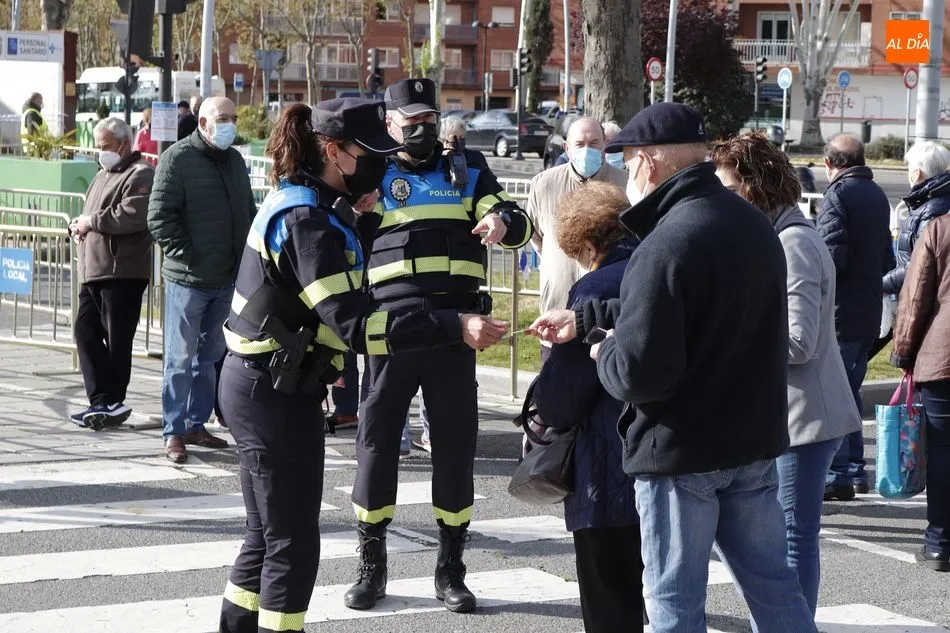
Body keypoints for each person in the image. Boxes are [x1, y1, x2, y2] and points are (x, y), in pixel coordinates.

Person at [217, 98, 507, 633]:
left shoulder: (317, 206)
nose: (382, 161)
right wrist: (452, 326)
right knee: (292, 543)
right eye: (370, 152)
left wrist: (362, 220)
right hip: (271, 393)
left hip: (271, 385)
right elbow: (358, 327)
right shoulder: (309, 220)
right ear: (335, 153)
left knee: (265, 535)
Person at [529, 103, 818, 633]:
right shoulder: (754, 225)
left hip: (682, 453)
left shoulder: (663, 244)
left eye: (631, 161)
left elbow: (639, 372)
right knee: (775, 589)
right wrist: (586, 316)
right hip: (752, 441)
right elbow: (700, 308)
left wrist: (601, 350)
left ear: (648, 162)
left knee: (673, 604)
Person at [343, 78, 531, 614]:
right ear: (390, 126)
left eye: (430, 120)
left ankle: (451, 567)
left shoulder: (467, 172)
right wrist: (356, 213)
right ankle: (371, 563)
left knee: (453, 448)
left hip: (456, 334)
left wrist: (500, 220)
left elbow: (519, 223)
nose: (422, 129)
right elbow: (336, 233)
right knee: (377, 447)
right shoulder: (375, 173)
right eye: (411, 121)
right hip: (392, 333)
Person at [711, 132, 862, 614]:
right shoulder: (778, 236)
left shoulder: (793, 242)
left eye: (729, 189)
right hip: (792, 415)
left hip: (805, 419)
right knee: (780, 537)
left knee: (792, 538)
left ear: (755, 187)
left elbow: (799, 342)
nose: (724, 200)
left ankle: (796, 625)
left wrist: (731, 335)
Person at [532, 182, 643, 633]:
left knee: (608, 603)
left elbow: (560, 402)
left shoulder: (592, 288)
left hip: (604, 470)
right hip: (661, 461)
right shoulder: (656, 268)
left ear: (590, 245)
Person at [147, 97, 255, 464]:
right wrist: (189, 256)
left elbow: (247, 212)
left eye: (234, 117)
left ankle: (196, 422)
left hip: (226, 279)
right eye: (223, 118)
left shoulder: (236, 161)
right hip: (188, 280)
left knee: (209, 357)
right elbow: (160, 217)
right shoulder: (177, 158)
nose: (230, 124)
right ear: (203, 123)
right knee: (179, 359)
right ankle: (173, 431)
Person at [817, 133, 896, 500]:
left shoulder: (838, 195)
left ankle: (842, 472)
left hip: (839, 311)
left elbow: (830, 258)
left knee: (837, 394)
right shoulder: (878, 196)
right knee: (849, 391)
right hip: (868, 309)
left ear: (831, 163)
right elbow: (886, 259)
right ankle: (853, 470)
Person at [68, 117, 154, 431]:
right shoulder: (103, 174)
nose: (100, 151)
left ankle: (113, 400)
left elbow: (131, 215)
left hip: (122, 272)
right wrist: (78, 225)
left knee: (118, 339)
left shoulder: (141, 173)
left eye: (105, 146)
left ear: (123, 144)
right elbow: (91, 215)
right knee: (85, 331)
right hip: (93, 270)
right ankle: (100, 400)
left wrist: (92, 221)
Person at [525, 117, 626, 365]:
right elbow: (537, 236)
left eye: (594, 143)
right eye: (579, 143)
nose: (587, 150)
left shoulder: (625, 184)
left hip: (604, 322)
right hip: (555, 314)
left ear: (604, 145)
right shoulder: (544, 184)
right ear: (566, 147)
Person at [891, 214, 950, 573]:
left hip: (943, 355)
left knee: (942, 451)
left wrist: (902, 350)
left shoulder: (939, 228)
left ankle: (939, 543)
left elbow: (915, 297)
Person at [883, 141, 950, 297]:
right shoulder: (935, 202)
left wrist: (883, 285)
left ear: (916, 173)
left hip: (925, 300)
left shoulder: (930, 210)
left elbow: (919, 264)